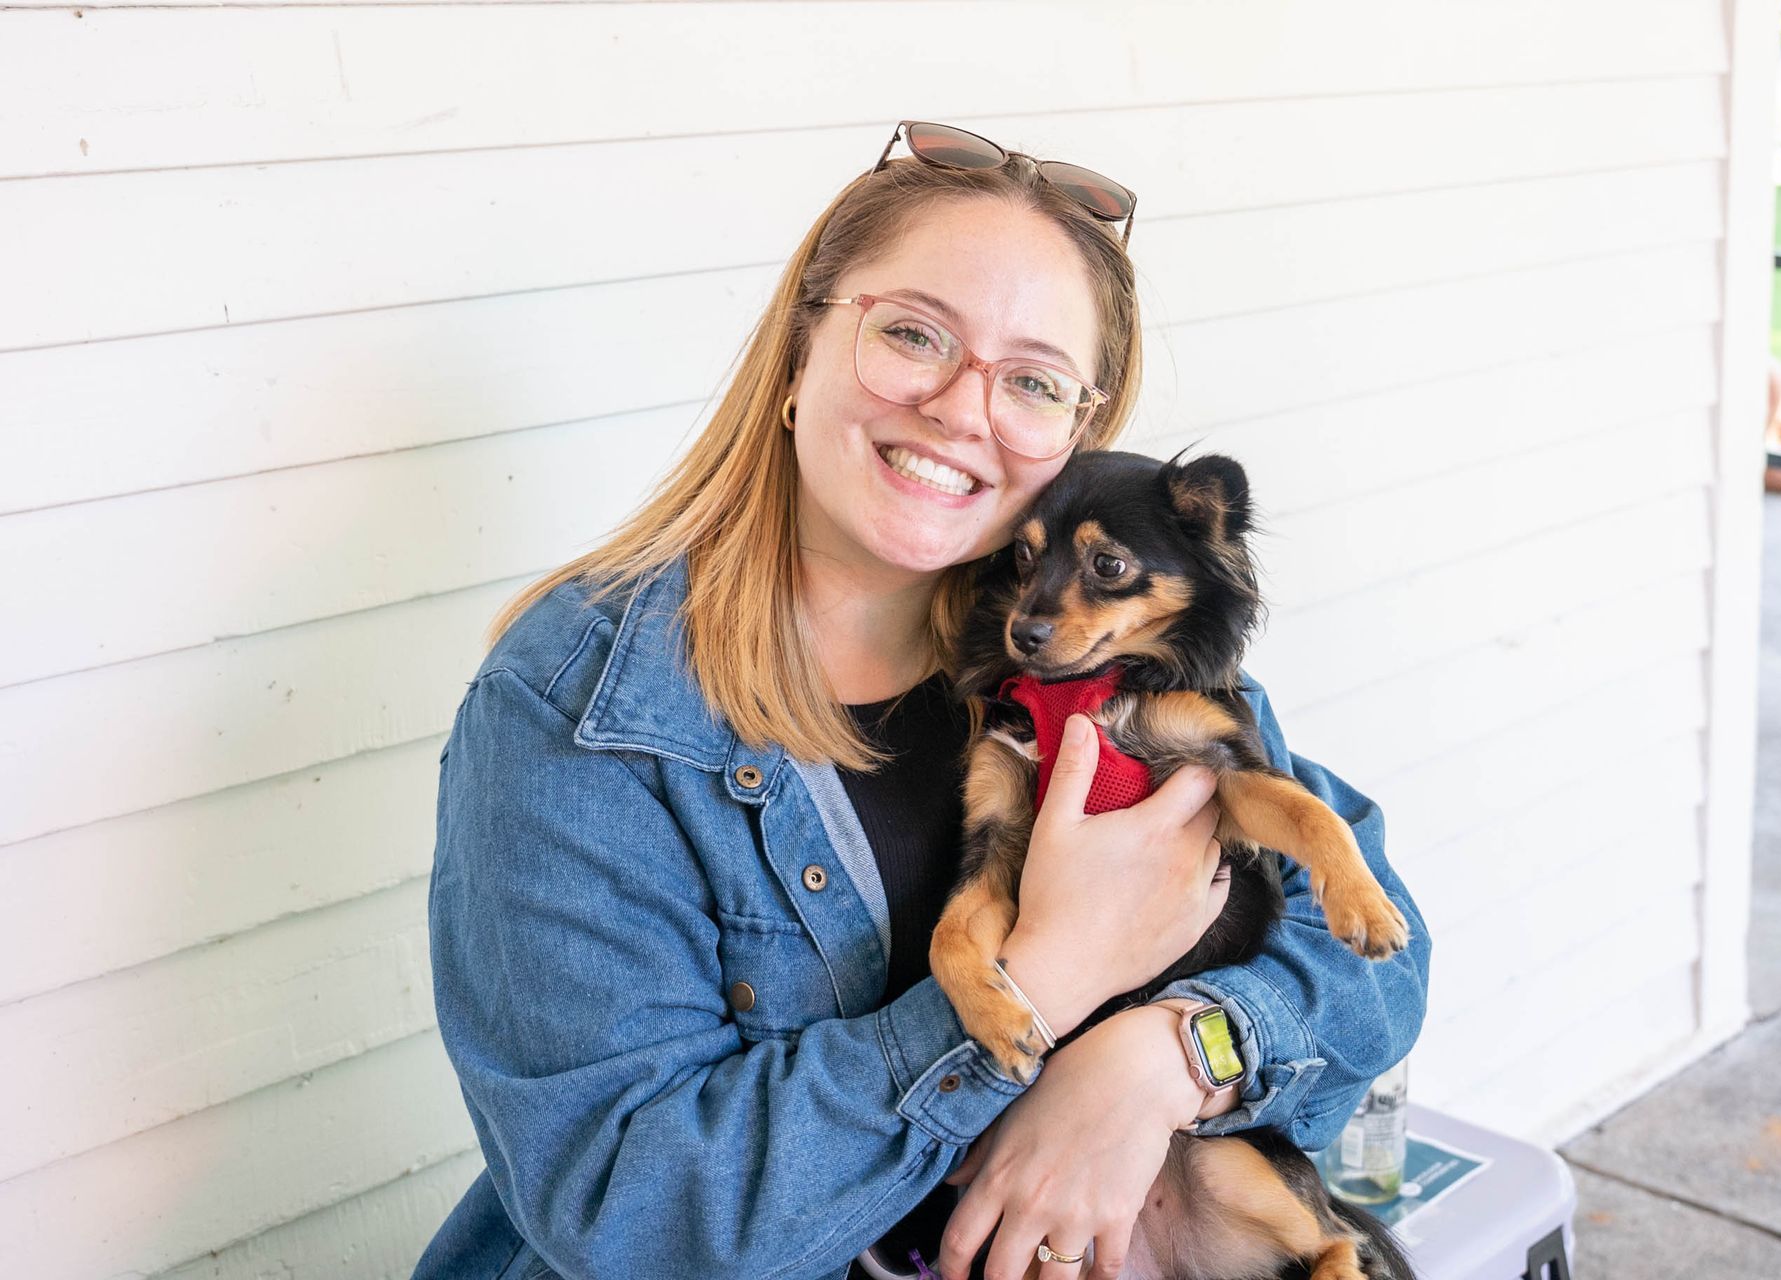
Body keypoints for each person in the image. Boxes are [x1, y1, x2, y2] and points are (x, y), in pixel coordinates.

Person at [413, 122, 1431, 1280]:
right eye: (913, 333)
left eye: (1034, 381)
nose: (961, 410)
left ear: (1076, 440)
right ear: (801, 352)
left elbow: (1380, 953)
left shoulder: (1108, 651)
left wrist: (1156, 1064)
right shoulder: (577, 713)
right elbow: (632, 1207)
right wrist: (1041, 984)